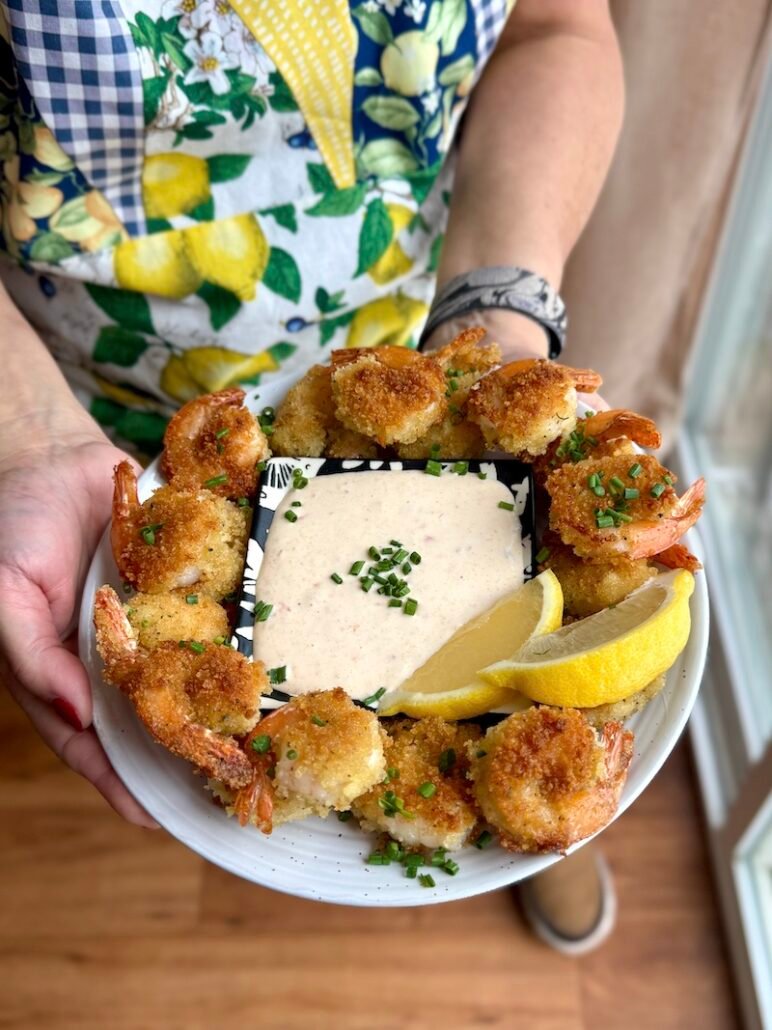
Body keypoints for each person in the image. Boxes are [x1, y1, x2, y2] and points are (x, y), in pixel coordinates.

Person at [0, 0, 624, 952]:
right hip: (92, 392)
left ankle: (552, 808)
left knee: (556, 714)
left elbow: (554, 27)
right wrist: (27, 437)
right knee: (135, 708)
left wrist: (499, 326)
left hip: (418, 337)